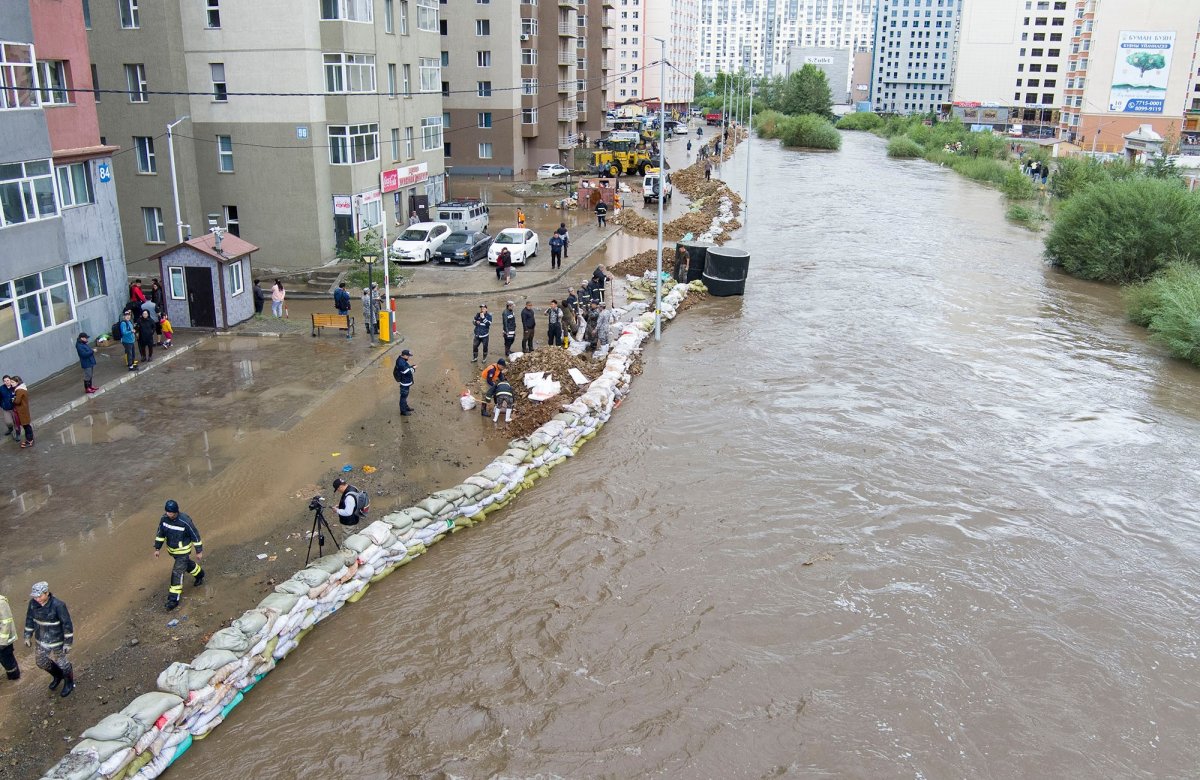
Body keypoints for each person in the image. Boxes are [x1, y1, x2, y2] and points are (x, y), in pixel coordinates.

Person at [23, 582, 74, 697]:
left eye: (40, 596)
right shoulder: (32, 604)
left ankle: (69, 682)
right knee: (40, 662)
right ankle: (58, 675)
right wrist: (27, 635)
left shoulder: (58, 605)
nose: (37, 599)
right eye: (35, 597)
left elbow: (67, 625)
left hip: (57, 640)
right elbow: (29, 619)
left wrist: (68, 643)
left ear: (47, 593)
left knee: (62, 663)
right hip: (41, 640)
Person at [154, 500, 204, 611]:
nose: (168, 514)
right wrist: (157, 548)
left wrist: (199, 551)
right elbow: (160, 534)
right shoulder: (164, 519)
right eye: (167, 512)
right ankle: (200, 574)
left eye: (170, 512)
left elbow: (195, 535)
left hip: (183, 552)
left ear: (176, 512)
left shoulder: (185, 521)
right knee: (187, 565)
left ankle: (173, 599)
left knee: (177, 573)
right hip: (173, 551)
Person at [0, 592, 18, 681]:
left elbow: (6, 623)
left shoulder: (1, 602)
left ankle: (14, 677)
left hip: (4, 640)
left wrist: (2, 642)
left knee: (7, 661)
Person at [11, 376, 32, 449]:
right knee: (27, 425)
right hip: (24, 410)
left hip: (22, 411)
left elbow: (17, 401)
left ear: (17, 382)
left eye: (12, 382)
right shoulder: (22, 388)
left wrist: (13, 399)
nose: (11, 384)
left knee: (26, 426)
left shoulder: (19, 390)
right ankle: (29, 439)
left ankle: (29, 441)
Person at [393, 348, 414, 415]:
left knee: (405, 396)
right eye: (408, 356)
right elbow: (406, 372)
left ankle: (406, 407)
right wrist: (413, 368)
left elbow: (406, 368)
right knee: (403, 397)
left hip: (405, 381)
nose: (408, 357)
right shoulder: (401, 362)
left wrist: (411, 367)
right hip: (404, 382)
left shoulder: (402, 360)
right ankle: (403, 411)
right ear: (404, 355)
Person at [0, 375, 15, 441]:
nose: (6, 382)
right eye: (5, 381)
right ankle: (10, 428)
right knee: (8, 422)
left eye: (8, 380)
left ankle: (17, 434)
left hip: (14, 408)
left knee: (16, 421)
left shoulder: (14, 386)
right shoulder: (1, 388)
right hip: (6, 408)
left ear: (10, 380)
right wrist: (2, 405)